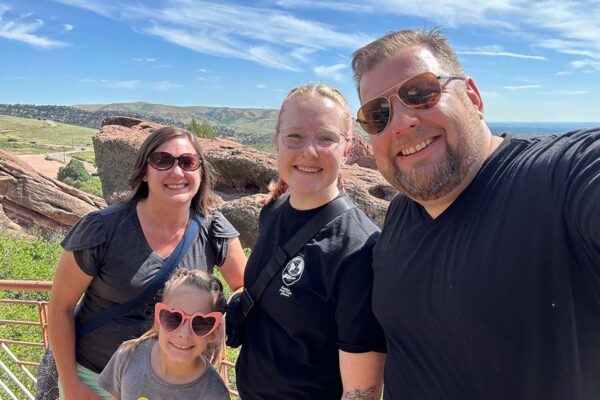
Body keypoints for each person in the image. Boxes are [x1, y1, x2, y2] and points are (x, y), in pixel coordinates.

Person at [351, 28, 600, 399]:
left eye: (420, 93)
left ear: (473, 97)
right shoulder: (402, 213)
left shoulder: (560, 176)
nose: (402, 121)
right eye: (378, 114)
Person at [48, 127, 246, 399]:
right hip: (93, 379)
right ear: (144, 172)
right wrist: (70, 382)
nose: (177, 172)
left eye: (188, 162)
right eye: (162, 161)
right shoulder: (102, 229)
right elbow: (61, 306)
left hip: (171, 386)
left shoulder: (213, 230)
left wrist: (216, 324)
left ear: (200, 172)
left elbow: (243, 290)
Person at [235, 83, 386, 400]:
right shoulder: (273, 213)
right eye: (295, 137)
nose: (309, 151)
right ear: (277, 141)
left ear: (347, 149)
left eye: (326, 138)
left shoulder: (359, 248)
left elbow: (362, 391)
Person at [98, 268, 231, 400]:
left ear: (213, 332)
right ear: (158, 319)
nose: (184, 334)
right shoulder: (128, 356)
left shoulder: (214, 393)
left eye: (200, 323)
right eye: (174, 318)